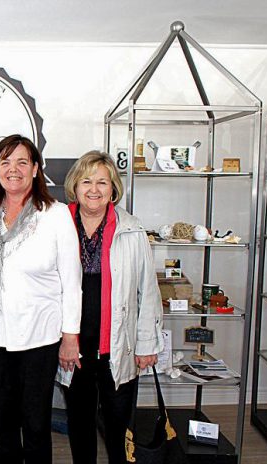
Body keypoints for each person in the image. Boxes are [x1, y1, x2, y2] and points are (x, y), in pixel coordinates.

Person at [0, 134, 82, 463]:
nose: (12, 169)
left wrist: (70, 336)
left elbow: (72, 281)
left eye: (21, 162)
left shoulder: (55, 214)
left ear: (35, 169)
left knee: (34, 423)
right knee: (1, 423)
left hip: (39, 337)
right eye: (5, 162)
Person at [62, 150, 164, 464]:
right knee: (79, 424)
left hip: (117, 345)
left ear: (113, 187)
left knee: (118, 426)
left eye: (102, 182)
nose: (94, 189)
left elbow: (147, 290)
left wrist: (147, 342)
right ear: (75, 186)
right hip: (72, 346)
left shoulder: (132, 229)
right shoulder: (57, 223)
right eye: (87, 181)